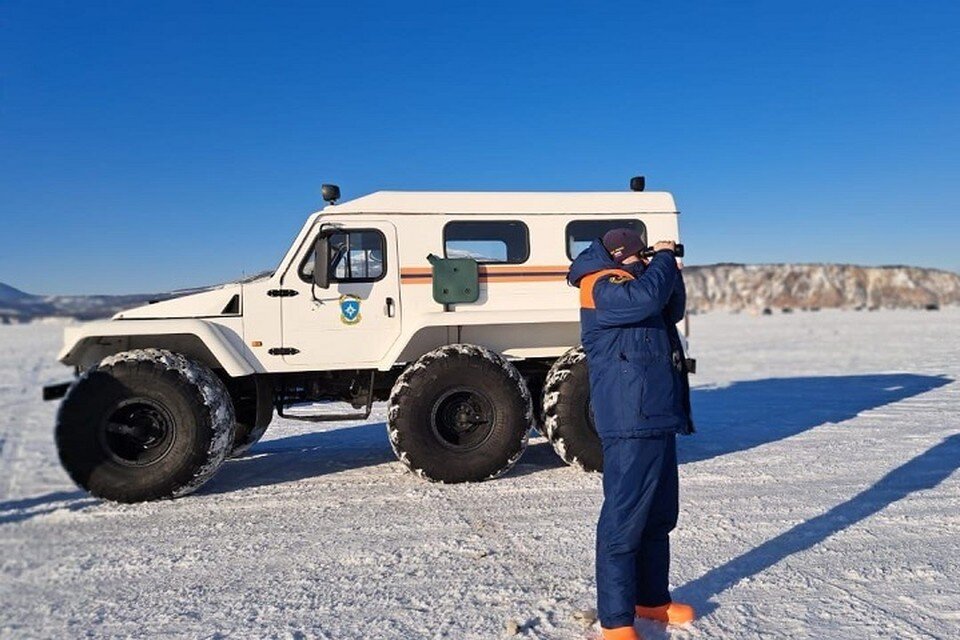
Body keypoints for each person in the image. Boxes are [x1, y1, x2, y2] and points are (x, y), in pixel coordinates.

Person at [567, 228, 695, 640]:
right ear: (623, 255)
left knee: (659, 517)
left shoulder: (636, 283)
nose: (643, 262)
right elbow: (644, 300)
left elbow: (669, 307)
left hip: (656, 415)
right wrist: (658, 261)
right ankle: (617, 620)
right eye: (638, 256)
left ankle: (652, 601)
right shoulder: (599, 284)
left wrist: (668, 268)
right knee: (623, 522)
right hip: (629, 420)